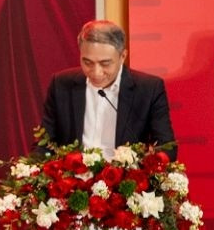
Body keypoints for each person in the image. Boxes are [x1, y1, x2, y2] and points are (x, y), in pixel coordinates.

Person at [40, 19, 176, 156]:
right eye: (87, 62)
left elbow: (166, 147)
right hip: (72, 169)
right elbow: (44, 145)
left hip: (125, 170)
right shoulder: (61, 84)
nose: (96, 72)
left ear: (122, 56)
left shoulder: (148, 89)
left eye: (105, 64)